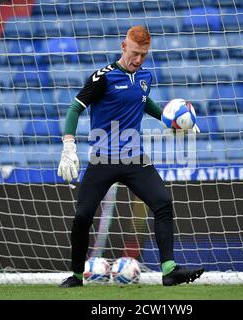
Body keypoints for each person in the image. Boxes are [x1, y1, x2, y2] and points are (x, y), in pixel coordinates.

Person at [57, 26, 204, 287]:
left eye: (144, 55)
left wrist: (172, 120)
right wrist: (69, 145)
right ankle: (77, 276)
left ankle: (169, 270)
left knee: (163, 202)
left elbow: (143, 100)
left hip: (134, 158)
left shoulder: (145, 76)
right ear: (123, 46)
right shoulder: (103, 77)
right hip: (103, 158)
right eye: (135, 53)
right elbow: (74, 108)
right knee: (82, 216)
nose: (138, 60)